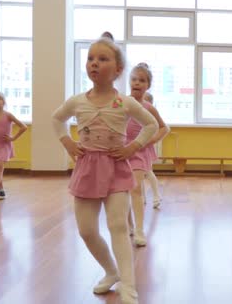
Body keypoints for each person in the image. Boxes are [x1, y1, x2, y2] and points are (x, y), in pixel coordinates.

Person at [52, 37, 158, 303]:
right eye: (90, 59)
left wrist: (133, 147)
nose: (94, 64)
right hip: (87, 169)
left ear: (118, 69)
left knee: (118, 226)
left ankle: (128, 285)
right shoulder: (77, 101)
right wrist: (66, 141)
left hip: (116, 168)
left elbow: (151, 126)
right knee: (87, 230)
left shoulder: (125, 103)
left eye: (102, 59)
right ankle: (111, 272)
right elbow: (57, 119)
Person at [126, 63, 170, 247]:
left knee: (136, 188)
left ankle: (139, 230)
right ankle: (128, 225)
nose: (137, 83)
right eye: (134, 79)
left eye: (142, 80)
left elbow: (164, 128)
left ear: (147, 85)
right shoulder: (121, 101)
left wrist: (149, 141)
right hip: (120, 150)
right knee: (122, 192)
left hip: (138, 152)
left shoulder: (148, 107)